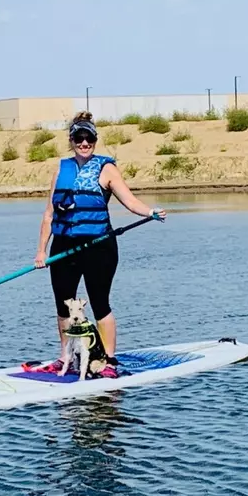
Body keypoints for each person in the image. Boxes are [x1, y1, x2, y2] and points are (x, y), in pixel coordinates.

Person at [31, 111, 167, 378]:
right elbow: (49, 214)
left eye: (89, 138)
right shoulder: (61, 169)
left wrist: (150, 212)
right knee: (63, 305)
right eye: (79, 138)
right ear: (71, 140)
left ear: (94, 139)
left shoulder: (107, 168)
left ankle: (109, 360)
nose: (84, 143)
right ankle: (65, 357)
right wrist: (40, 251)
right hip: (64, 247)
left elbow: (130, 201)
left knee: (99, 302)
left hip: (99, 246)